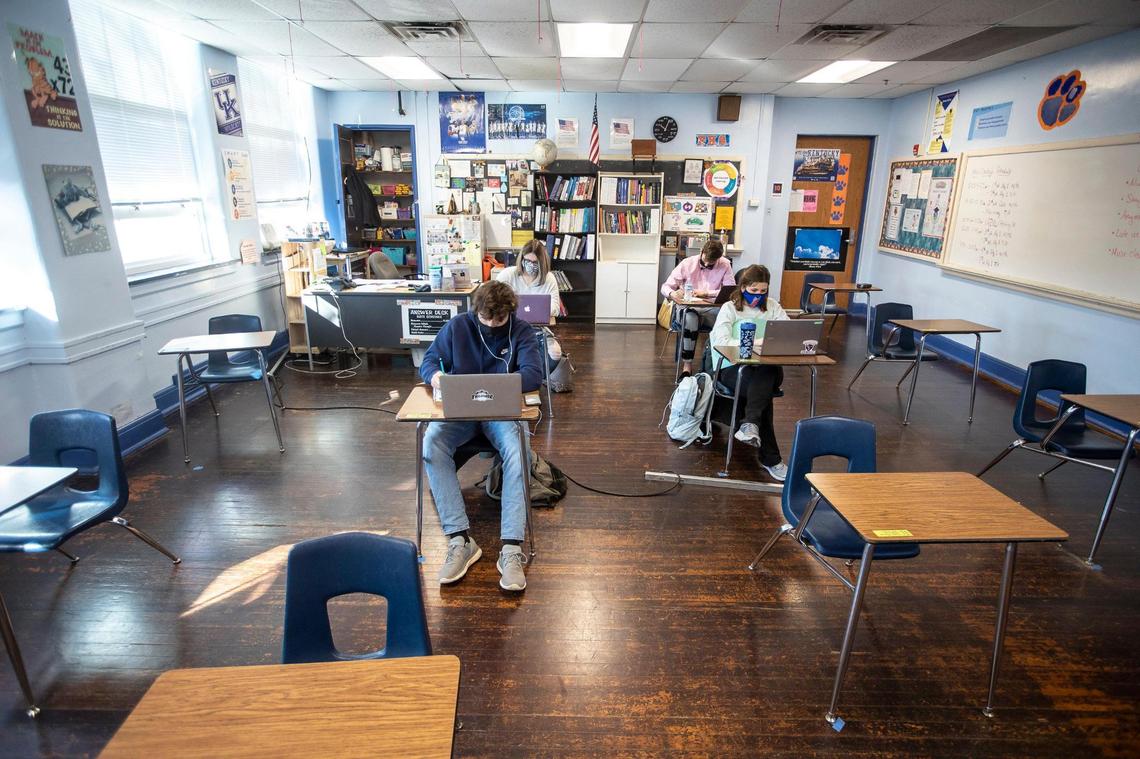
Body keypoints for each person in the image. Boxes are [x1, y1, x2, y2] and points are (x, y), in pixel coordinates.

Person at [420, 281, 544, 591]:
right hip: (461, 411)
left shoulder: (522, 331)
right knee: (431, 441)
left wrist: (499, 385)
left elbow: (533, 373)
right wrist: (437, 378)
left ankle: (512, 549)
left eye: (498, 320)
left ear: (508, 313)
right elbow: (428, 361)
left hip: (500, 413)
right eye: (485, 319)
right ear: (476, 311)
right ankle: (460, 540)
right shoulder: (458, 326)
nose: (490, 325)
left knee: (519, 447)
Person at [709, 264, 790, 482]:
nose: (758, 296)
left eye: (763, 292)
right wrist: (756, 344)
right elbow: (721, 342)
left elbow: (788, 334)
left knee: (765, 371)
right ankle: (771, 458)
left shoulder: (773, 307)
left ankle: (750, 424)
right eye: (754, 291)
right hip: (733, 368)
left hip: (766, 369)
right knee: (762, 394)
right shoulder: (729, 308)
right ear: (743, 287)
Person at [660, 239, 736, 378]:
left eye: (711, 263)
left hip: (712, 309)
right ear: (701, 252)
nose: (707, 264)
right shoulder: (687, 263)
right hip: (687, 309)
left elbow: (730, 291)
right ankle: (687, 366)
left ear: (719, 258)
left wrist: (707, 293)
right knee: (690, 318)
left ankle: (717, 365)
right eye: (705, 260)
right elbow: (665, 287)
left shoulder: (725, 265)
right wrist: (672, 293)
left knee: (726, 320)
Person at [495, 239, 563, 367]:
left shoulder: (549, 278)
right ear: (522, 259)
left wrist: (539, 309)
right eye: (527, 261)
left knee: (555, 354)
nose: (530, 265)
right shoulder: (508, 275)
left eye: (535, 262)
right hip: (508, 327)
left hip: (538, 328)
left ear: (542, 262)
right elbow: (493, 299)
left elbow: (555, 309)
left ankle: (537, 375)